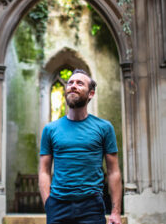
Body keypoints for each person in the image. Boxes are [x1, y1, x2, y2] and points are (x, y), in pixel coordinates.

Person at [38, 69, 122, 224]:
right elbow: (44, 171)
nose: (73, 86)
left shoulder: (104, 128)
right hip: (58, 206)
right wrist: (48, 204)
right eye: (70, 83)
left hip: (92, 206)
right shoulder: (50, 129)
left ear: (91, 94)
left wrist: (115, 212)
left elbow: (113, 171)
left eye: (79, 83)